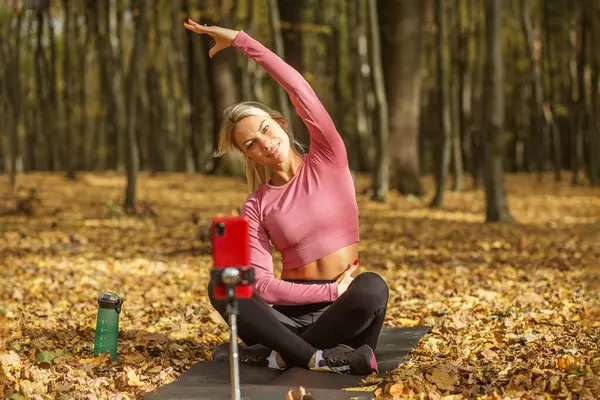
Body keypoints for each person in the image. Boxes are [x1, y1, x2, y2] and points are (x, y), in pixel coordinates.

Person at [184, 19, 389, 375]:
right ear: (248, 156)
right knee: (224, 285)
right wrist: (326, 293)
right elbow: (262, 283)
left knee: (372, 286)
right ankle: (314, 357)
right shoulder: (257, 203)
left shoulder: (328, 158)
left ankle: (277, 354)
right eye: (251, 144)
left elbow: (298, 86)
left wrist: (240, 40)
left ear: (280, 121)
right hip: (289, 312)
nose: (265, 144)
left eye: (265, 129)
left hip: (343, 308)